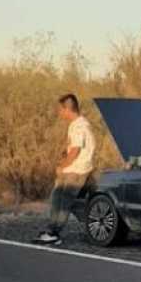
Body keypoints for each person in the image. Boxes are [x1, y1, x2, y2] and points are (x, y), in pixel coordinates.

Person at [34, 93, 95, 245]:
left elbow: (75, 151)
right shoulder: (76, 124)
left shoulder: (79, 125)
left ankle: (54, 233)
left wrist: (62, 166)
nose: (59, 112)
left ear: (67, 109)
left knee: (64, 202)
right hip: (72, 169)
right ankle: (52, 229)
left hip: (76, 171)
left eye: (60, 109)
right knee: (57, 198)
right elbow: (72, 148)